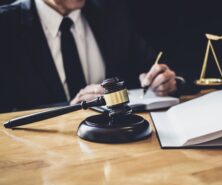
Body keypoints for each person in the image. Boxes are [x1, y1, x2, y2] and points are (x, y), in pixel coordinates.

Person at [0, 0, 179, 113]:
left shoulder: (111, 13)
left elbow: (152, 67)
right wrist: (70, 107)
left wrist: (166, 81)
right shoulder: (6, 26)